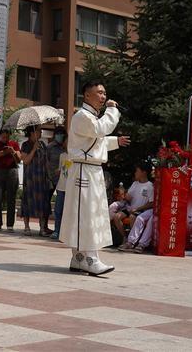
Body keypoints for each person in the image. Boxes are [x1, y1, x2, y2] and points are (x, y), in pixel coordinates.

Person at [59, 80, 130, 276]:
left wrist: (115, 141)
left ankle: (79, 258)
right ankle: (90, 259)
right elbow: (100, 130)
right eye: (99, 92)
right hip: (84, 170)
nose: (103, 96)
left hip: (90, 169)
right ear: (87, 95)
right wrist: (113, 111)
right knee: (87, 214)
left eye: (104, 93)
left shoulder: (89, 117)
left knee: (91, 213)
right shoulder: (82, 115)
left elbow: (94, 141)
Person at [20, 125, 52, 236]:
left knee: (43, 203)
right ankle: (26, 226)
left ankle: (42, 228)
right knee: (27, 201)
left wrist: (49, 176)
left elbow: (46, 161)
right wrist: (33, 149)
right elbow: (25, 161)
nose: (40, 133)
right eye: (38, 131)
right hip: (30, 178)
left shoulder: (43, 145)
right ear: (32, 133)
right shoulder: (25, 145)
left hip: (41, 178)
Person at [118, 162, 155, 253]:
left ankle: (138, 243)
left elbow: (152, 203)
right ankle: (130, 242)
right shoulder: (135, 183)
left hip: (143, 210)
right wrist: (123, 194)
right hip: (133, 209)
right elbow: (128, 197)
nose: (135, 173)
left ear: (144, 172)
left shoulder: (150, 186)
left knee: (136, 217)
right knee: (122, 216)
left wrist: (138, 209)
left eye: (137, 171)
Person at [0, 128, 21, 232]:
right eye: (3, 137)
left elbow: (19, 160)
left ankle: (10, 225)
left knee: (11, 199)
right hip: (0, 172)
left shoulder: (14, 144)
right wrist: (1, 153)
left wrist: (13, 152)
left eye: (7, 137)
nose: (5, 139)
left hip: (12, 171)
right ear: (0, 136)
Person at [50, 129, 70, 240]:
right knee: (58, 210)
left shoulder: (75, 156)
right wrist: (58, 171)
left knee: (67, 212)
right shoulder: (62, 156)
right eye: (66, 142)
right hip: (61, 186)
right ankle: (57, 230)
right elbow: (60, 169)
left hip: (70, 188)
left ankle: (65, 232)